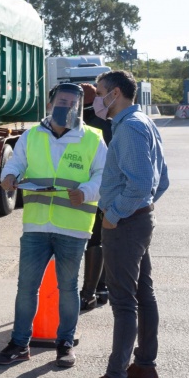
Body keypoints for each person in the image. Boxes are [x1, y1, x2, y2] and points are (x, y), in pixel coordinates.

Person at [0, 83, 107, 368]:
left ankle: (65, 343)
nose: (66, 105)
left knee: (68, 288)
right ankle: (19, 344)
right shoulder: (32, 135)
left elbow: (103, 175)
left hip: (73, 226)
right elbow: (15, 164)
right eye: (62, 100)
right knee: (26, 287)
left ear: (80, 107)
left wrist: (87, 192)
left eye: (72, 102)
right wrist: (9, 177)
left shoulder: (92, 137)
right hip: (36, 226)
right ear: (50, 103)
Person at [73, 70, 169, 378]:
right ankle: (144, 367)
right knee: (144, 294)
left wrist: (113, 215)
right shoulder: (141, 121)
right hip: (138, 221)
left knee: (125, 302)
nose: (95, 99)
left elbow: (142, 185)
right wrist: (143, 209)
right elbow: (162, 180)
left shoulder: (128, 128)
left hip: (125, 225)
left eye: (98, 92)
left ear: (115, 93)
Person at [79, 82, 113, 311]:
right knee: (98, 239)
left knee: (91, 240)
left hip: (82, 189)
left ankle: (88, 293)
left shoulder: (79, 125)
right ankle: (100, 288)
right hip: (104, 188)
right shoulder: (108, 124)